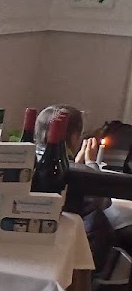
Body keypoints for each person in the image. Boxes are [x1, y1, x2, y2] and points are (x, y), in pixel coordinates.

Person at [35, 104, 113, 265]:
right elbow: (103, 202)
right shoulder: (63, 170)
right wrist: (91, 164)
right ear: (74, 137)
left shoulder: (32, 161)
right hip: (68, 251)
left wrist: (77, 163)